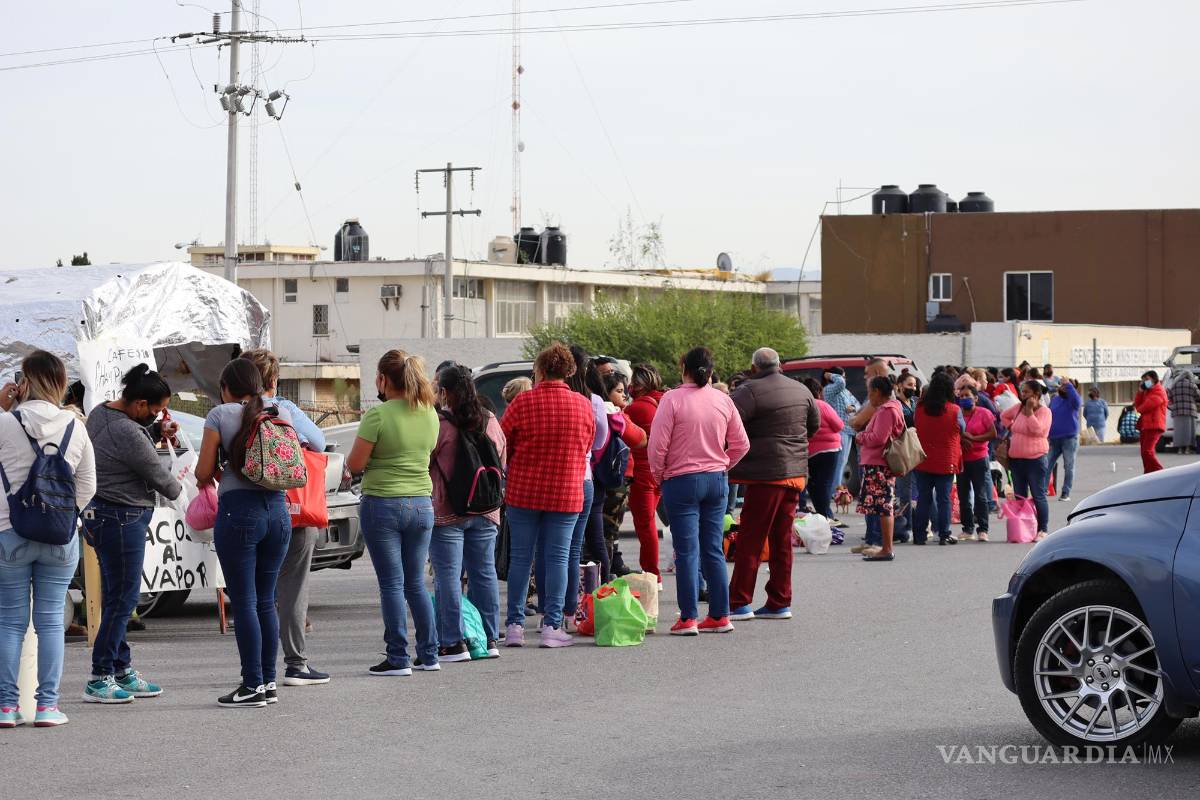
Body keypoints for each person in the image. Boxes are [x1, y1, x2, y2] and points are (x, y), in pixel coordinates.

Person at [0, 351, 96, 727]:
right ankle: (47, 707)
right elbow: (88, 485)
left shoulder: (6, 423)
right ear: (60, 383)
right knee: (51, 622)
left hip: (10, 533)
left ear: (23, 382)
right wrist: (64, 515)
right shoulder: (76, 426)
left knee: (10, 621)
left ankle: (7, 707)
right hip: (60, 537)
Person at [196, 359, 294, 707]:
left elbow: (202, 472)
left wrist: (222, 470)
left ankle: (251, 684)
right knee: (266, 600)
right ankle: (268, 682)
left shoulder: (219, 415)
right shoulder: (280, 411)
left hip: (239, 513)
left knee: (245, 602)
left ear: (225, 388)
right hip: (279, 512)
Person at [82, 364, 181, 704]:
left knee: (115, 598)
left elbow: (125, 445)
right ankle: (100, 676)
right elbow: (160, 477)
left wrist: (156, 430)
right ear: (140, 404)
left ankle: (120, 668)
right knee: (123, 599)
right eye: (156, 410)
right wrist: (190, 492)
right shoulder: (127, 432)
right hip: (122, 518)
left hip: (104, 515)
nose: (158, 415)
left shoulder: (101, 413)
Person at [238, 349, 330, 687]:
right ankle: (296, 663)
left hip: (246, 509)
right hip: (291, 508)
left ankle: (256, 670)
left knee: (254, 593)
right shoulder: (284, 409)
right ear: (273, 380)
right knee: (292, 588)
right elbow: (318, 442)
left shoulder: (232, 413)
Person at [346, 350, 440, 675]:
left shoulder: (378, 415)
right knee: (416, 583)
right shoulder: (429, 412)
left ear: (384, 380)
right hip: (422, 504)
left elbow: (355, 464)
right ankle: (429, 654)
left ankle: (398, 657)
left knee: (391, 584)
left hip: (383, 504)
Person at [500, 343, 595, 648]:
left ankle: (514, 626)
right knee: (558, 558)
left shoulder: (522, 402)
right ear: (569, 371)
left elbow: (503, 443)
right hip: (566, 492)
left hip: (523, 491)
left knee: (520, 558)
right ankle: (552, 625)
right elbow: (587, 445)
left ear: (539, 370)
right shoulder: (583, 405)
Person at [648, 347, 749, 635]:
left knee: (687, 551)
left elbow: (657, 446)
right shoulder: (722, 399)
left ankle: (688, 617)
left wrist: (659, 476)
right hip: (716, 479)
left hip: (681, 480)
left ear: (684, 369)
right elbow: (741, 444)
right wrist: (723, 464)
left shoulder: (672, 399)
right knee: (713, 549)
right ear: (711, 371)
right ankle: (720, 615)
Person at [726, 348, 818, 621]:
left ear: (754, 367)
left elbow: (727, 422)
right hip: (795, 474)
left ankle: (739, 601)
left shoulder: (749, 390)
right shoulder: (801, 390)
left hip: (765, 475)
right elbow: (813, 426)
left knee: (751, 540)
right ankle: (780, 601)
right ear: (779, 365)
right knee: (781, 541)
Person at [429, 365, 506, 661]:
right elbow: (501, 457)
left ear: (444, 392)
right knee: (484, 573)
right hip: (486, 508)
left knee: (448, 576)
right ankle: (489, 638)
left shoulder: (439, 424)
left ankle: (453, 642)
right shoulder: (489, 419)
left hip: (448, 511)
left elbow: (427, 459)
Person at [555, 347, 608, 613]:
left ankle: (550, 610)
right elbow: (599, 441)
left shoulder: (549, 398)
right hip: (582, 476)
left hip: (549, 478)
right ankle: (568, 608)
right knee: (574, 547)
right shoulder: (593, 401)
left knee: (550, 549)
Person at [854, 376, 906, 562]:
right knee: (881, 506)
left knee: (883, 507)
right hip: (880, 463)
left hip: (879, 464)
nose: (869, 397)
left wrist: (861, 437)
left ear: (877, 392)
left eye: (870, 392)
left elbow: (878, 438)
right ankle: (883, 546)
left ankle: (886, 549)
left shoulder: (886, 410)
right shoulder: (892, 407)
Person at [601, 371, 645, 577]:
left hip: (612, 477)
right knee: (609, 528)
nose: (624, 396)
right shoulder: (614, 415)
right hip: (616, 478)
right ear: (606, 393)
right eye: (619, 391)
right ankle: (606, 573)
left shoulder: (608, 412)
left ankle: (609, 567)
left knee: (608, 528)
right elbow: (639, 438)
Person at [911, 372, 963, 546]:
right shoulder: (954, 410)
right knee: (944, 499)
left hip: (923, 459)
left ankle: (920, 535)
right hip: (946, 459)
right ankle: (944, 534)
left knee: (923, 498)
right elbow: (962, 428)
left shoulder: (920, 408)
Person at [626, 363, 666, 579]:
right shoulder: (665, 401)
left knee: (645, 524)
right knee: (650, 521)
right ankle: (651, 571)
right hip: (662, 470)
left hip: (642, 472)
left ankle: (651, 573)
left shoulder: (636, 408)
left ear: (640, 384)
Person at [1001, 380, 1053, 541]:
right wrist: (1011, 426)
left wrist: (1030, 412)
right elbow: (1003, 416)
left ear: (1036, 394)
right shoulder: (1018, 408)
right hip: (1016, 460)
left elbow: (1038, 431)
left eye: (1026, 392)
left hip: (1035, 460)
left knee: (1038, 495)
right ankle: (1024, 527)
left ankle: (1042, 529)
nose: (1022, 395)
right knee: (1020, 496)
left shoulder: (1044, 412)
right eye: (1022, 392)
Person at [848, 358, 891, 547]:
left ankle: (876, 541)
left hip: (877, 459)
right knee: (872, 500)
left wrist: (860, 434)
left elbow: (859, 423)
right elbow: (857, 418)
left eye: (867, 374)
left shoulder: (882, 402)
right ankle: (872, 539)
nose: (864, 378)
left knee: (877, 502)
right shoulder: (876, 399)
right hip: (870, 457)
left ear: (877, 374)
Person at [955, 384, 996, 542]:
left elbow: (992, 433)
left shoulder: (984, 413)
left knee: (980, 495)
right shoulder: (957, 414)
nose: (964, 398)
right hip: (961, 459)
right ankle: (967, 529)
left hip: (979, 458)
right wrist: (962, 440)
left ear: (976, 398)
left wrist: (973, 438)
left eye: (967, 395)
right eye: (961, 396)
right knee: (963, 495)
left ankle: (983, 529)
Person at [801, 377, 843, 526]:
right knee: (825, 484)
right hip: (830, 450)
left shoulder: (802, 406)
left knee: (813, 484)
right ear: (818, 391)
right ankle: (826, 516)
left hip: (809, 452)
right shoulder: (822, 405)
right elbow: (839, 425)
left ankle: (822, 515)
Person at [822, 367, 859, 500]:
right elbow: (840, 382)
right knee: (839, 461)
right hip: (838, 430)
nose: (844, 379)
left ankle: (836, 489)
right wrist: (830, 375)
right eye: (842, 376)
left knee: (843, 461)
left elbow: (858, 405)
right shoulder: (829, 389)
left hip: (849, 429)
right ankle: (835, 491)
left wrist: (853, 408)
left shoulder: (845, 391)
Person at [1046, 378, 1081, 501]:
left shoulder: (1074, 400)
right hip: (1054, 438)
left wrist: (1068, 385)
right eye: (1062, 385)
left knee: (1068, 466)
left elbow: (1077, 401)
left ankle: (1065, 492)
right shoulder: (1055, 399)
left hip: (1069, 438)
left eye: (1066, 386)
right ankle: (1042, 489)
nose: (1062, 387)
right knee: (1046, 464)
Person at [1134, 371, 1168, 473]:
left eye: (1147, 379)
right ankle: (1148, 472)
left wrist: (1139, 407)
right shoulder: (1147, 391)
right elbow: (1137, 405)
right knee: (1143, 452)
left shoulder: (1159, 391)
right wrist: (1140, 392)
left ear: (1154, 379)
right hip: (1146, 425)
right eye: (1143, 380)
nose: (1144, 382)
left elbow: (1143, 408)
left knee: (1147, 451)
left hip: (1155, 425)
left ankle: (1159, 471)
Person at [1168, 370, 1199, 454]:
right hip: (1190, 411)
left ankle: (1180, 449)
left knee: (1179, 431)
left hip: (1177, 411)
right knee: (1189, 431)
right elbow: (1198, 396)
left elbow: (1170, 397)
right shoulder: (1192, 385)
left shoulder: (1173, 385)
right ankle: (1187, 449)